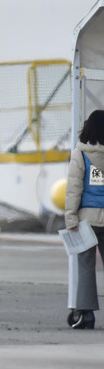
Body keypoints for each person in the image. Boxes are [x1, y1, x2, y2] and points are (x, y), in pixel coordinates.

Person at [64, 110, 104, 329]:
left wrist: (70, 219)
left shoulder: (80, 154)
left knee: (86, 267)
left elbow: (73, 190)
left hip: (87, 220)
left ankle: (86, 315)